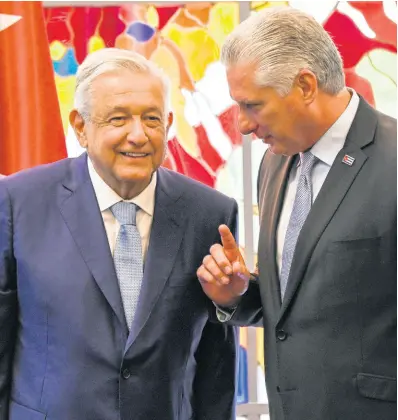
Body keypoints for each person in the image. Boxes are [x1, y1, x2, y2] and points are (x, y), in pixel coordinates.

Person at [0, 48, 239, 420]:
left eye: (151, 119)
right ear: (80, 127)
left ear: (169, 123)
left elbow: (215, 360)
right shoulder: (19, 201)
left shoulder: (209, 213)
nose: (138, 135)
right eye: (118, 119)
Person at [197, 7, 396, 420]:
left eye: (252, 105)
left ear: (305, 85)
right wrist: (236, 293)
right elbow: (295, 306)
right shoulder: (274, 164)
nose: (243, 126)